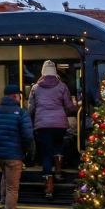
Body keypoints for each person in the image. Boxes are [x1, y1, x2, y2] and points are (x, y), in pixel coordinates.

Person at [28, 60, 78, 199]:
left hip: (42, 124)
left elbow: (31, 108)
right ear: (55, 72)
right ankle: (58, 172)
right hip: (59, 123)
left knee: (46, 154)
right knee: (58, 146)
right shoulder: (62, 86)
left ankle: (49, 188)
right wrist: (80, 107)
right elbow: (69, 106)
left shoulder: (35, 88)